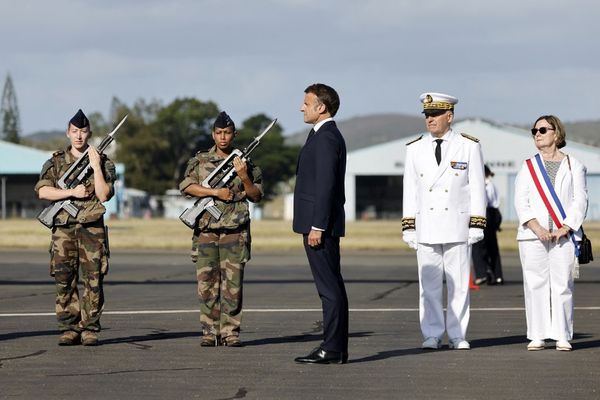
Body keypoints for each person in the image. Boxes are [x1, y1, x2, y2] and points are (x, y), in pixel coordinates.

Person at [402, 92, 486, 350]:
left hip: (457, 225)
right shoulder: (414, 148)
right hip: (426, 224)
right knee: (428, 286)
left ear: (449, 116)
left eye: (435, 114)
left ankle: (458, 334)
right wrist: (409, 226)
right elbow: (410, 190)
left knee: (459, 284)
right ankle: (432, 333)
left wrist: (476, 223)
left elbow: (477, 187)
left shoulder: (468, 145)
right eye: (427, 115)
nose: (430, 119)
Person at [179, 111, 263, 347]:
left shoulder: (245, 163)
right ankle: (209, 331)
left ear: (234, 134)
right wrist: (215, 193)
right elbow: (186, 187)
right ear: (213, 134)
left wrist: (244, 177)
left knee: (233, 285)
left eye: (227, 133)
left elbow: (256, 195)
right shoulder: (200, 161)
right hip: (206, 231)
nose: (223, 137)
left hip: (235, 232)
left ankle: (230, 332)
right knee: (206, 283)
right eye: (219, 133)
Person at [35, 109, 115, 346]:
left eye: (83, 131)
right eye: (74, 131)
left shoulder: (103, 161)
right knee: (64, 278)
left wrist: (96, 166)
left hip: (92, 229)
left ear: (89, 133)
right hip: (64, 230)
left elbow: (104, 195)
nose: (79, 136)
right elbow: (43, 191)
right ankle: (69, 328)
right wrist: (71, 192)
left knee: (93, 279)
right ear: (68, 133)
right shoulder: (56, 162)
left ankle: (89, 328)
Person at [514, 115, 588, 351]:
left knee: (562, 284)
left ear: (556, 134)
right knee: (535, 283)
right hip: (532, 235)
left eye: (543, 129)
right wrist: (537, 228)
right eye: (534, 130)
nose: (537, 133)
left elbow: (580, 200)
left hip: (564, 235)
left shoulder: (574, 165)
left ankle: (562, 334)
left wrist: (565, 227)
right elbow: (520, 201)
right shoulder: (528, 166)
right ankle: (537, 334)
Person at [293, 83, 349, 364]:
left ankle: (333, 347)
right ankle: (334, 346)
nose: (302, 107)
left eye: (306, 102)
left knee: (329, 289)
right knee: (330, 287)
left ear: (321, 107)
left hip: (320, 227)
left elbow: (326, 186)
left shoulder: (326, 137)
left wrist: (318, 226)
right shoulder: (320, 135)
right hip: (318, 224)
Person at [472, 165, 504, 285]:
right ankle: (497, 275)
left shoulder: (482, 185)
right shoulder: (491, 184)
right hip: (493, 214)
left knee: (477, 245)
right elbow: (495, 202)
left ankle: (482, 273)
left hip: (483, 212)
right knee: (492, 246)